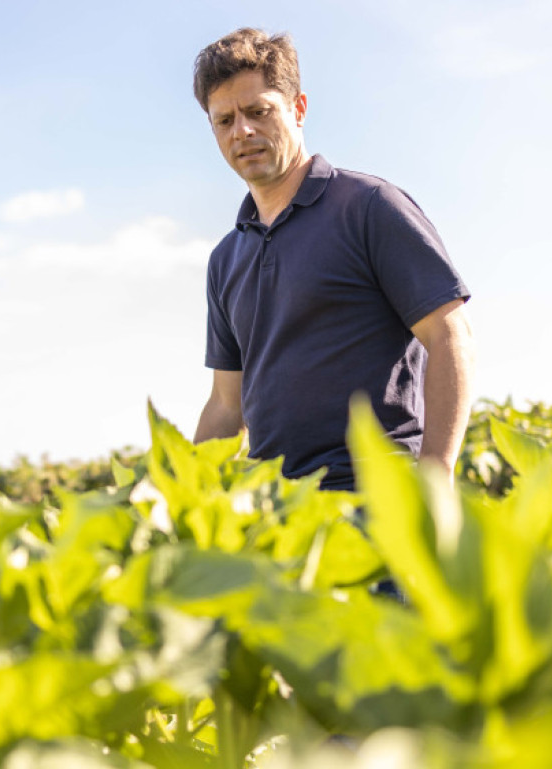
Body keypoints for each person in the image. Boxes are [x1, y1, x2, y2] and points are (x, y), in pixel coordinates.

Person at [191, 28, 475, 490]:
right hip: (279, 510)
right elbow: (226, 405)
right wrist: (175, 498)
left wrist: (436, 479)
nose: (242, 131)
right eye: (224, 121)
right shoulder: (226, 258)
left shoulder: (369, 207)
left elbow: (450, 338)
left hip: (374, 495)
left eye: (258, 111)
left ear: (298, 109)